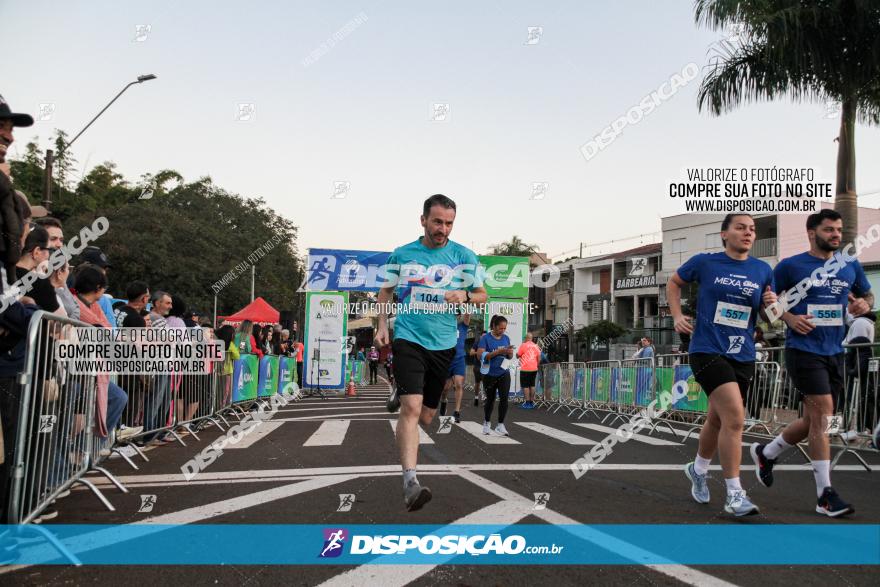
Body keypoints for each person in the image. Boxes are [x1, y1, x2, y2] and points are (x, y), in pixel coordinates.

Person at [751, 209, 870, 517]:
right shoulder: (791, 267)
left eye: (839, 230)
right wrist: (789, 317)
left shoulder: (849, 265)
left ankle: (767, 452)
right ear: (811, 233)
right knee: (825, 415)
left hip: (835, 351)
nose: (836, 235)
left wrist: (863, 304)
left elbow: (867, 297)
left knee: (814, 421)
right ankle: (824, 495)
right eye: (829, 230)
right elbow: (765, 310)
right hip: (803, 351)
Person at [374, 194, 486, 511]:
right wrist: (382, 324)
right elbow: (385, 291)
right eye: (437, 222)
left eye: (449, 223)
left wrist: (464, 294)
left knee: (426, 416)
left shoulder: (464, 256)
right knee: (411, 408)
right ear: (423, 219)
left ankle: (402, 389)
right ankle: (410, 483)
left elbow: (483, 295)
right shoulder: (403, 254)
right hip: (409, 336)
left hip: (444, 344)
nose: (443, 229)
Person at [667, 213, 775, 516]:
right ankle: (735, 494)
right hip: (707, 349)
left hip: (742, 354)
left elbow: (771, 317)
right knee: (736, 419)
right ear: (724, 234)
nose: (748, 233)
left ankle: (698, 470)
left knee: (717, 419)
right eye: (740, 228)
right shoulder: (705, 262)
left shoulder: (763, 270)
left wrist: (773, 304)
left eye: (752, 229)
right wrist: (677, 316)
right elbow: (673, 283)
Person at [842, 292, 876, 435]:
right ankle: (839, 430)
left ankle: (838, 430)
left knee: (841, 403)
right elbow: (849, 318)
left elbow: (855, 349)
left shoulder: (860, 324)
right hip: (852, 367)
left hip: (851, 368)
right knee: (841, 403)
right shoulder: (861, 322)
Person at [477, 315, 515, 435]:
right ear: (494, 326)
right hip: (489, 373)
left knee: (504, 399)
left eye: (504, 328)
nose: (502, 331)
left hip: (503, 372)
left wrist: (509, 353)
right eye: (500, 328)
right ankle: (487, 423)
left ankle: (500, 425)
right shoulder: (485, 338)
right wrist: (498, 352)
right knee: (490, 399)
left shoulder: (506, 338)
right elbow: (480, 356)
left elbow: (510, 356)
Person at [439, 313, 470, 422]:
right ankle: (443, 401)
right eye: (454, 314)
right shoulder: (443, 326)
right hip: (447, 359)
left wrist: (468, 298)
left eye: (458, 315)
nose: (456, 316)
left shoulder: (463, 326)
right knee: (445, 388)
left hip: (459, 359)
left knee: (458, 384)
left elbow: (467, 313)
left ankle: (456, 412)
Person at [517, 332, 541, 409]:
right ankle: (531, 402)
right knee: (532, 385)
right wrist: (536, 365)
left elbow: (518, 355)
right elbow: (539, 357)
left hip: (525, 368)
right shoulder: (536, 346)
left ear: (526, 338)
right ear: (531, 338)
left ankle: (527, 403)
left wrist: (517, 355)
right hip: (534, 368)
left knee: (525, 386)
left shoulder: (523, 345)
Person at [469, 330, 487, 406]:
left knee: (486, 382)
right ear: (480, 336)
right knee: (477, 382)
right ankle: (476, 397)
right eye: (483, 336)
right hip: (477, 365)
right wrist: (479, 352)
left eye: (485, 336)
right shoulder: (477, 343)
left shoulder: (488, 343)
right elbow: (471, 353)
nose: (484, 337)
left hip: (486, 365)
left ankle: (485, 399)